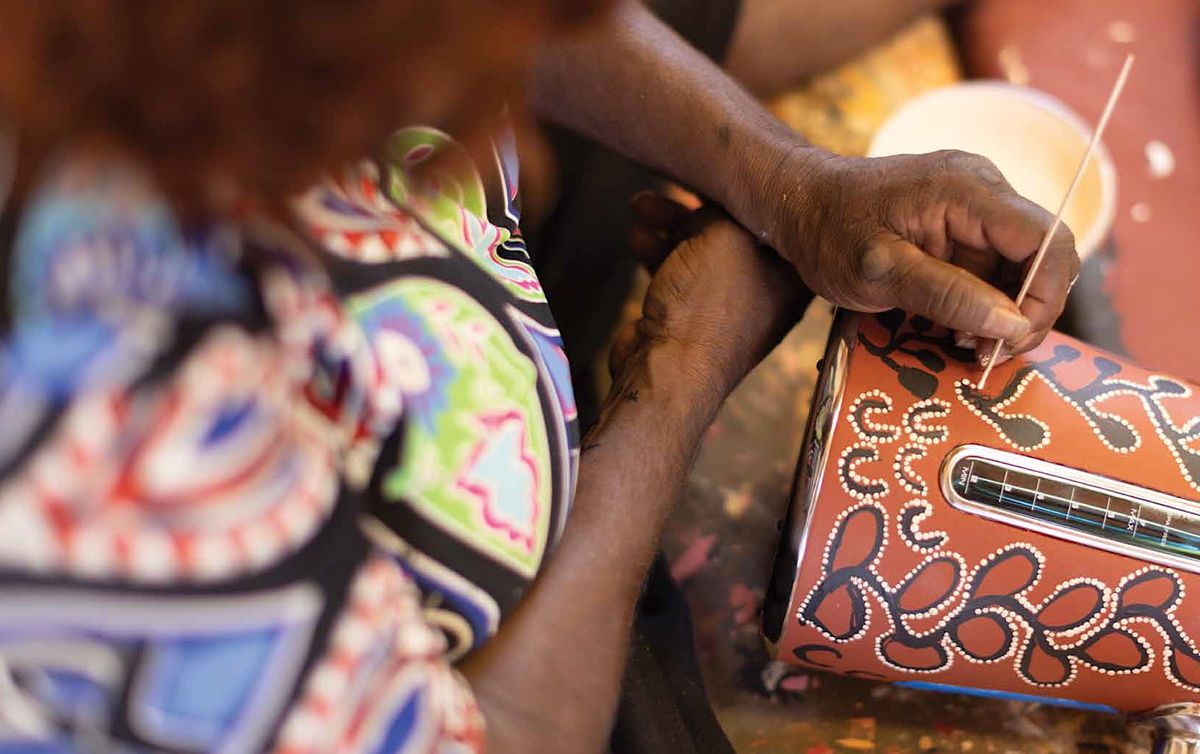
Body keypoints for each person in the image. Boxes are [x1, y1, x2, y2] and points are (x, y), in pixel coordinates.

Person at [0, 2, 1076, 754]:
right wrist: (676, 379)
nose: (523, 161)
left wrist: (792, 181)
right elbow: (501, 735)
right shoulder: (108, 444)